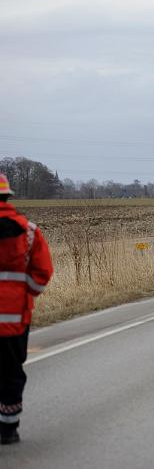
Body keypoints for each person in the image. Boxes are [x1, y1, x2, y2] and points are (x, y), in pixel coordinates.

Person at [0, 174, 53, 445]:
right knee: (10, 371)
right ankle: (8, 429)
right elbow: (43, 271)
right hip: (15, 319)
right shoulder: (29, 231)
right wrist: (26, 294)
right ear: (8, 197)